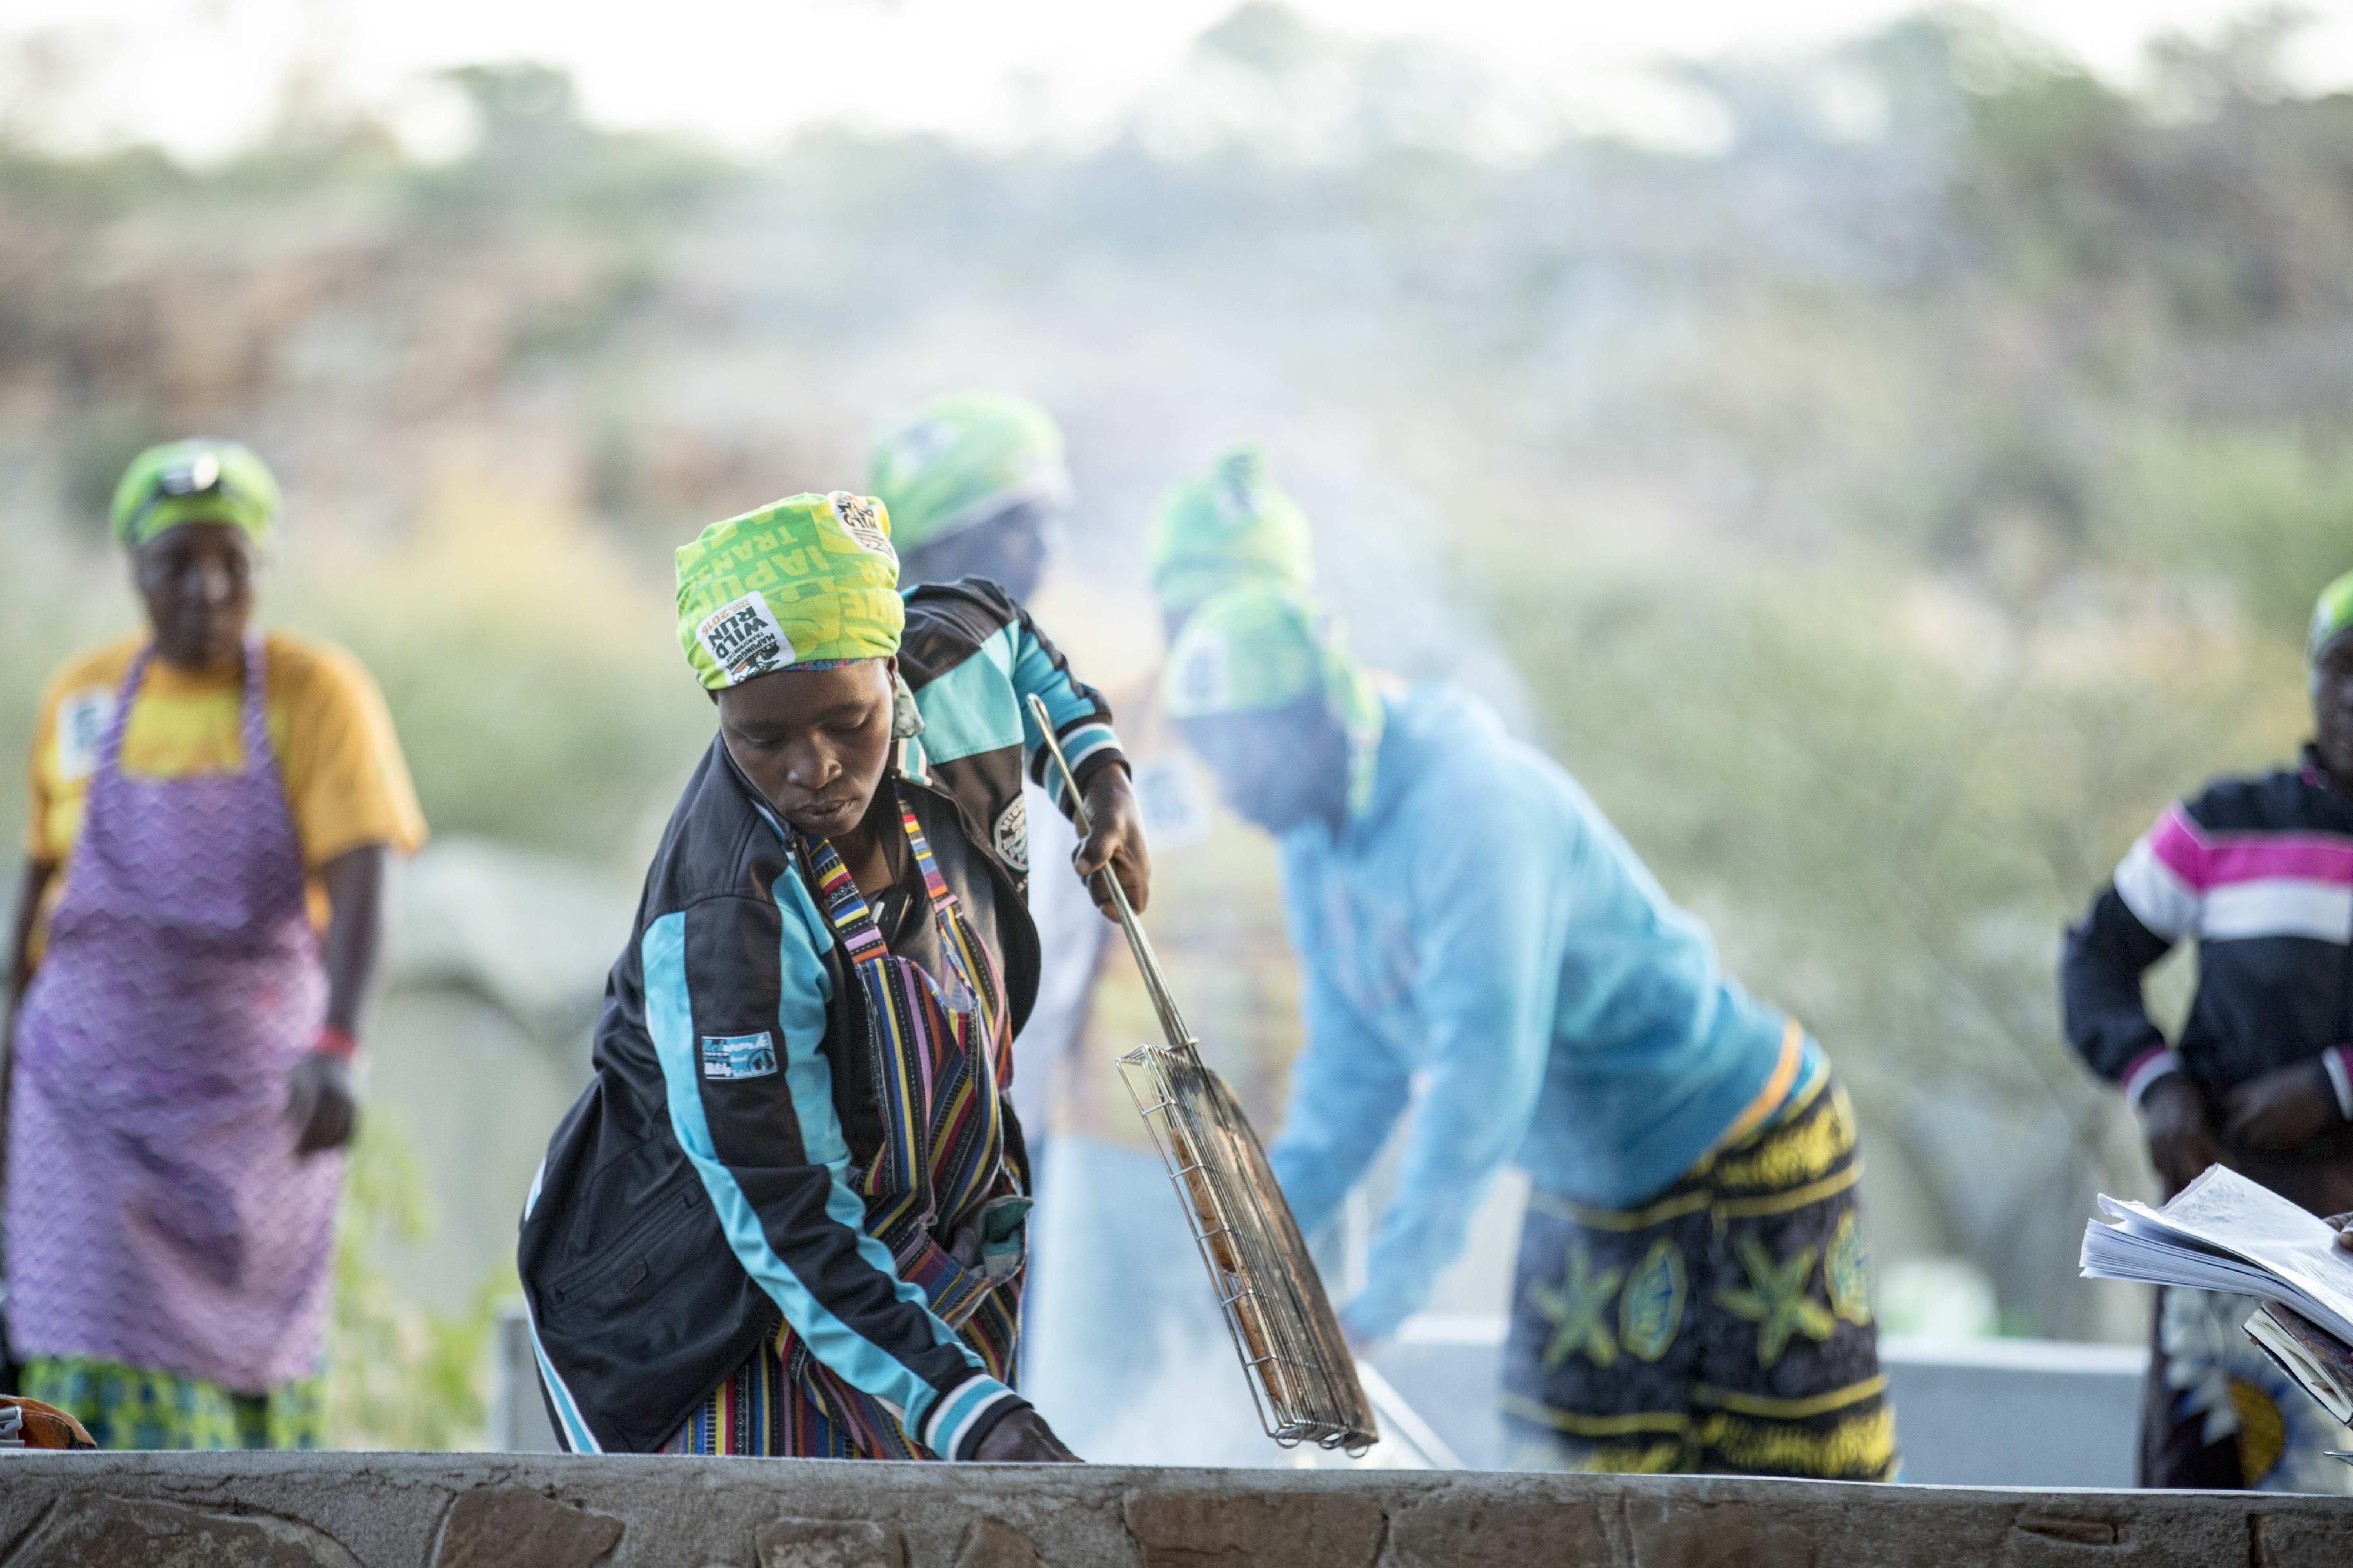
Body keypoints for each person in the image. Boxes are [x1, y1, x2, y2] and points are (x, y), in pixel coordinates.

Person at [1164, 585, 1897, 1480]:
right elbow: (1350, 1076)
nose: (1226, 791)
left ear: (1312, 722)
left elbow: (1483, 1070)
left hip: (1740, 1137)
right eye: (1210, 758)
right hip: (1588, 1169)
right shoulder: (1315, 839)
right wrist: (1256, 1251)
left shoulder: (1474, 808)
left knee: (1783, 1485)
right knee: (1572, 1482)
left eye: (1239, 757)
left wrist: (1377, 1307)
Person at [516, 489, 1148, 1460]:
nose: (814, 770)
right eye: (762, 739)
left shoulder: (953, 659)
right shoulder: (727, 923)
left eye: (849, 722)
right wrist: (971, 1413)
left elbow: (1019, 646)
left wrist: (1099, 779)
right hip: (694, 1302)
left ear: (896, 667)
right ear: (720, 710)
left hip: (896, 1244)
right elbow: (784, 1210)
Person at [4, 439, 426, 1449]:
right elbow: (36, 888)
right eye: (177, 563)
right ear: (133, 570)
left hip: (249, 1107)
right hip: (82, 1101)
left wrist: (341, 1047)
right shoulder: (84, 699)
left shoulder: (313, 693)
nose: (206, 587)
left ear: (260, 569)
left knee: (245, 1361)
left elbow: (365, 878)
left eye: (232, 562)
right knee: (84, 1323)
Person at [2062, 567, 2353, 1493]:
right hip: (2220, 1242)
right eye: (2339, 667)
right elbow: (2093, 957)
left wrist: (2334, 1083)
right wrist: (2157, 1080)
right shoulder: (2224, 827)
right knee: (2196, 1500)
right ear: (2311, 678)